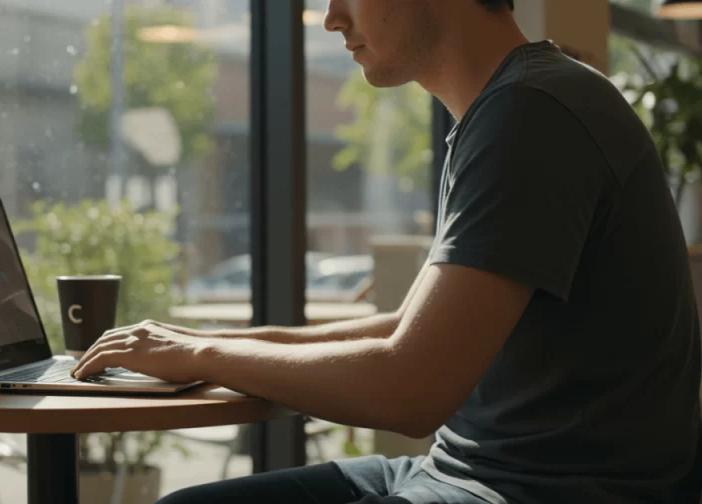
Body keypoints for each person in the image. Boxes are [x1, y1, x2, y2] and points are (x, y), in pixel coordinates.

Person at [72, 0, 702, 502]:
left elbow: (412, 389)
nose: (330, 17)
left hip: (543, 488)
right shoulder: (504, 108)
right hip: (471, 470)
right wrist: (201, 344)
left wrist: (205, 353)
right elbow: (406, 329)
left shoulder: (531, 114)